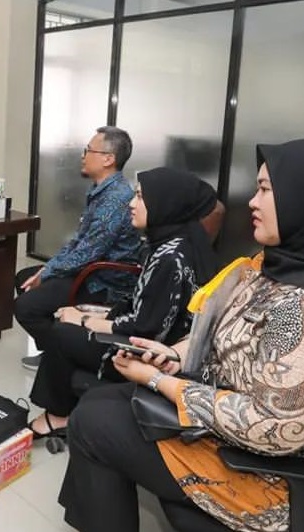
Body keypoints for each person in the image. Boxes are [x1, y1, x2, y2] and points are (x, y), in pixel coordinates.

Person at [58, 138, 304, 532]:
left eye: (265, 189)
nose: (252, 201)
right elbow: (236, 335)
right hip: (249, 437)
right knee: (103, 401)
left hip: (286, 480)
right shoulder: (287, 265)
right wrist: (177, 356)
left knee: (94, 423)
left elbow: (272, 428)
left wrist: (161, 381)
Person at [27, 167, 220, 439]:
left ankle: (58, 417)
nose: (131, 203)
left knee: (61, 333)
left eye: (140, 197)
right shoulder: (174, 243)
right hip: (155, 339)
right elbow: (144, 305)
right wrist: (98, 315)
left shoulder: (170, 259)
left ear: (163, 204)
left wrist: (85, 320)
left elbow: (145, 329)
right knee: (69, 321)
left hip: (150, 355)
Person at [15, 126, 142, 371]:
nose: (83, 156)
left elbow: (87, 253)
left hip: (104, 284)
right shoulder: (101, 189)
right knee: (24, 279)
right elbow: (79, 242)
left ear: (108, 159)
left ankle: (62, 355)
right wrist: (47, 270)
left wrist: (48, 272)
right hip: (89, 272)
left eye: (89, 150)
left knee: (25, 306)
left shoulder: (116, 198)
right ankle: (54, 351)